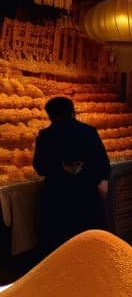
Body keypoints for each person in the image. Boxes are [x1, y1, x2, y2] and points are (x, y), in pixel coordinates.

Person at [32, 96, 111, 255]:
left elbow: (40, 166)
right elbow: (102, 162)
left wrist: (61, 167)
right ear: (72, 112)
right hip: (86, 192)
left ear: (51, 115)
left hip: (58, 194)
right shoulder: (89, 131)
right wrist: (100, 180)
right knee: (89, 240)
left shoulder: (46, 135)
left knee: (60, 243)